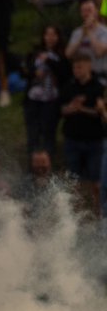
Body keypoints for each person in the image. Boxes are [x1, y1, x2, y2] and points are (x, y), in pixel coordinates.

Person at [61, 52, 105, 215]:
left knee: (97, 183)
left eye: (79, 67)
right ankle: (75, 216)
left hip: (94, 140)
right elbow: (63, 110)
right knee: (73, 182)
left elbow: (99, 112)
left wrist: (81, 109)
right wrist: (73, 108)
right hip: (72, 139)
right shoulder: (68, 87)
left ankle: (97, 214)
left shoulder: (98, 88)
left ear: (89, 67)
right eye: (74, 67)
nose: (76, 70)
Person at [23, 24, 70, 155]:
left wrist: (49, 61)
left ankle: (48, 168)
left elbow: (65, 73)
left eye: (53, 34)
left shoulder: (62, 54)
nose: (50, 38)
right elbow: (25, 72)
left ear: (58, 37)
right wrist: (34, 73)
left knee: (48, 135)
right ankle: (32, 170)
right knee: (32, 136)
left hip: (51, 101)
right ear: (43, 36)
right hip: (33, 100)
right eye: (47, 34)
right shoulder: (34, 53)